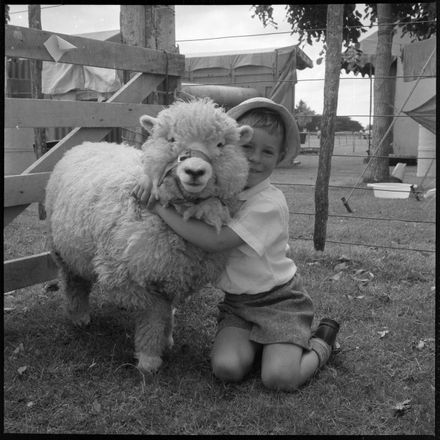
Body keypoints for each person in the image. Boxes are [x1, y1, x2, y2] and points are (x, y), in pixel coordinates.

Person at [135, 97, 340, 391]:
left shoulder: (267, 204)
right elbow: (176, 166)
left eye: (267, 151)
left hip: (279, 301)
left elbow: (216, 241)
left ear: (281, 155)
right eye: (247, 148)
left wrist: (159, 207)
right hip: (238, 305)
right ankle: (263, 346)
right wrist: (150, 177)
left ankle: (322, 344)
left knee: (280, 379)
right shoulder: (219, 189)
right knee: (226, 369)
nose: (256, 158)